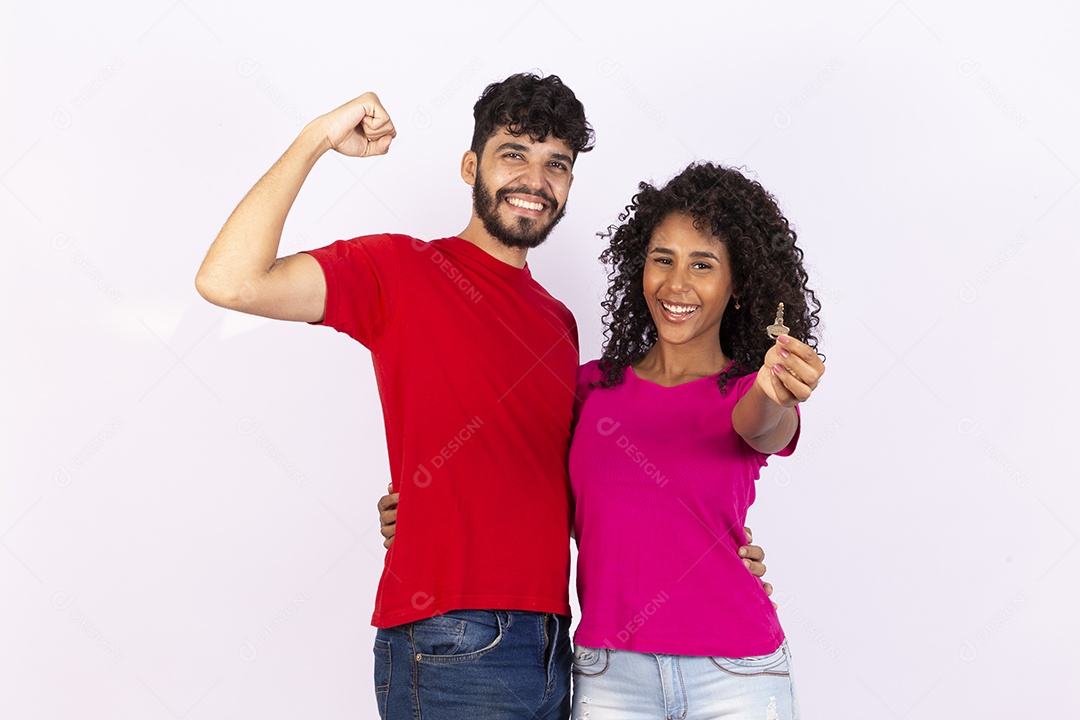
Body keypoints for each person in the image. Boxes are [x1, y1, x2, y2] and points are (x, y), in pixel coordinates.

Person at [196, 72, 770, 720]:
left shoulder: (558, 326)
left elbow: (567, 476)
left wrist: (713, 554)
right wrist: (315, 139)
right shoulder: (397, 270)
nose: (535, 177)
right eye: (513, 154)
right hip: (449, 638)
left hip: (557, 647)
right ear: (471, 165)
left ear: (569, 186)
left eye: (556, 163)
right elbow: (230, 280)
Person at [570, 162, 823, 718]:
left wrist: (777, 388)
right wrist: (428, 508)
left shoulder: (745, 393)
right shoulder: (590, 388)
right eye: (663, 259)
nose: (676, 284)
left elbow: (761, 423)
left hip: (735, 676)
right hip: (609, 675)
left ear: (737, 289)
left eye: (702, 265)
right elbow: (543, 502)